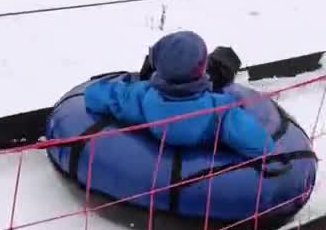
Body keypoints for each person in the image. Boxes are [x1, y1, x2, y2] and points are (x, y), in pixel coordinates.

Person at [84, 31, 274, 159]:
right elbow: (263, 145)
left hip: (152, 99)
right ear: (202, 70)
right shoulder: (220, 112)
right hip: (206, 104)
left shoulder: (138, 99)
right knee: (224, 62)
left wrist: (125, 83)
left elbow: (92, 94)